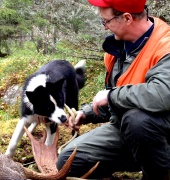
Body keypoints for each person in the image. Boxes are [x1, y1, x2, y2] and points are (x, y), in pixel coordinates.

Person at [56, 0, 170, 179]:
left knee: (137, 120)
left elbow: (162, 94)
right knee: (68, 162)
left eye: (106, 21)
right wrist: (87, 113)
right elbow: (118, 101)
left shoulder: (165, 45)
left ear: (126, 18)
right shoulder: (117, 49)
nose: (105, 28)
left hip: (160, 134)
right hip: (129, 132)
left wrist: (110, 95)